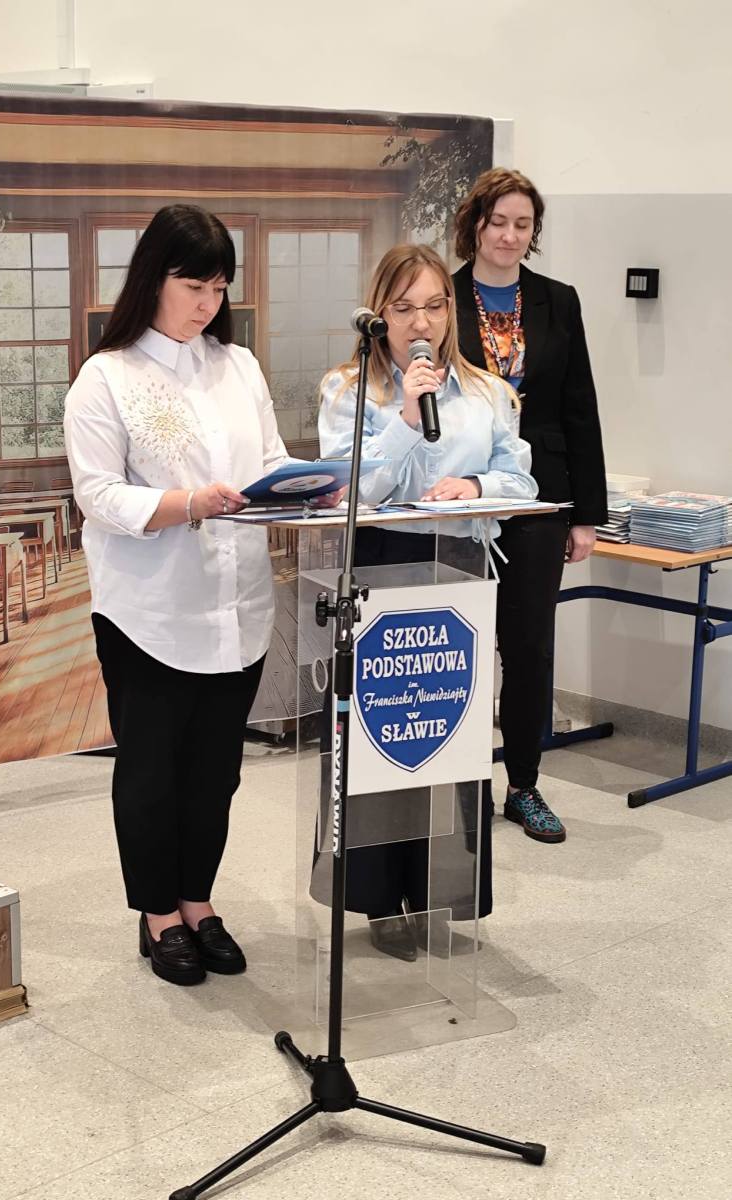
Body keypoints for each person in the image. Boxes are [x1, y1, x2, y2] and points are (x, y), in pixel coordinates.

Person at [64, 204, 291, 987]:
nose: (207, 303)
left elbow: (270, 460)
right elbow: (98, 495)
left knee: (216, 772)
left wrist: (297, 488)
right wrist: (188, 504)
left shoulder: (239, 366)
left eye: (219, 288)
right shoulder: (108, 376)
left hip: (237, 605)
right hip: (148, 613)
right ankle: (158, 913)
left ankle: (198, 901)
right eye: (194, 286)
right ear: (153, 278)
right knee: (152, 771)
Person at [316, 243, 537, 960]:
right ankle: (380, 899)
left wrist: (475, 487)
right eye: (405, 307)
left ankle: (444, 892)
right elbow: (348, 489)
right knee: (384, 731)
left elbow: (519, 480)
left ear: (451, 311)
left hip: (460, 569)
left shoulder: (486, 390)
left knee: (450, 730)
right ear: (380, 314)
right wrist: (406, 419)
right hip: (383, 565)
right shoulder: (347, 391)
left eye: (435, 306)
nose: (422, 322)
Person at [453, 168, 607, 844]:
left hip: (542, 496)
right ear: (475, 226)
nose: (510, 236)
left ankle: (523, 785)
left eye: (523, 225)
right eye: (499, 223)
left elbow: (580, 406)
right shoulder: (442, 297)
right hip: (460, 493)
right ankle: (461, 786)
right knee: (459, 642)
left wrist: (586, 514)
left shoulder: (557, 301)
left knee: (529, 647)